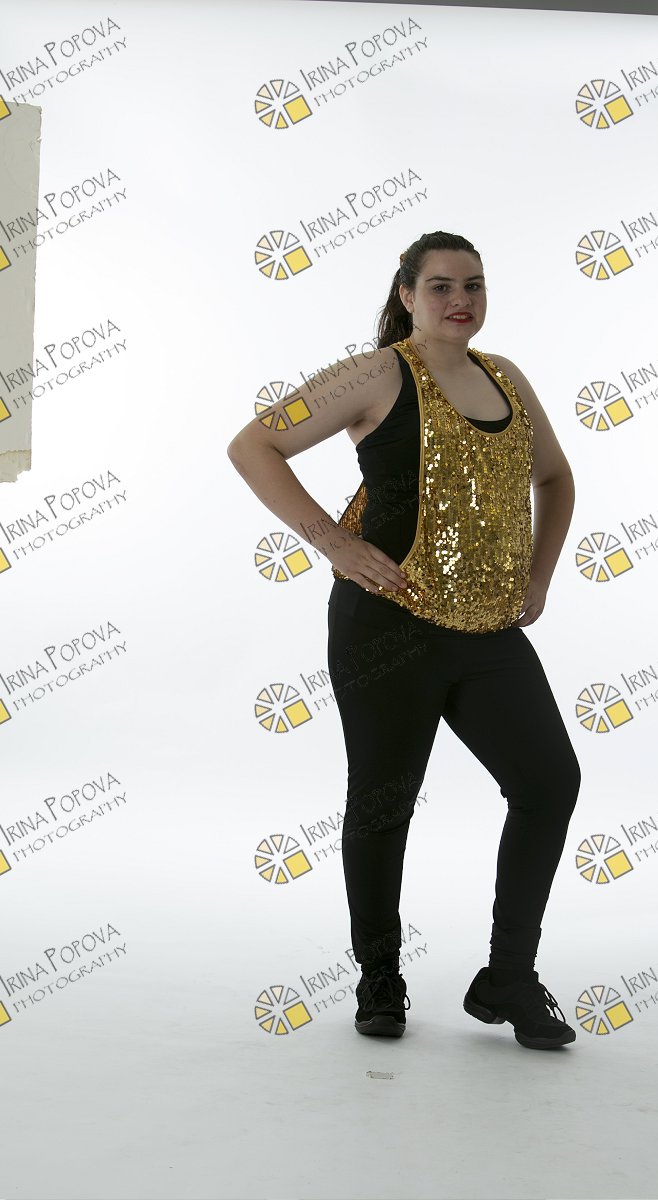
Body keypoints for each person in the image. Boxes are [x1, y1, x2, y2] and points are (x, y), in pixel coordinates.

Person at [227, 231, 582, 1052]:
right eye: (442, 286)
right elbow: (254, 445)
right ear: (407, 295)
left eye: (474, 285)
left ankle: (508, 977)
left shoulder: (506, 376)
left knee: (549, 782)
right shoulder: (375, 374)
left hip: (487, 629)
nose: (461, 300)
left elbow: (556, 477)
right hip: (387, 625)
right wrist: (333, 543)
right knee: (385, 800)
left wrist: (539, 576)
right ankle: (380, 977)